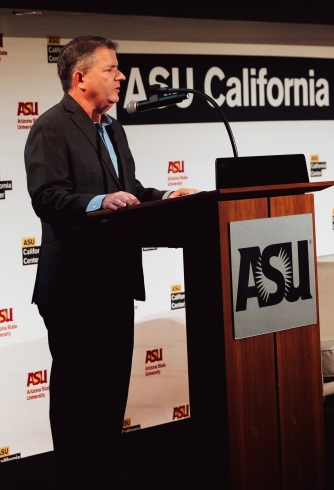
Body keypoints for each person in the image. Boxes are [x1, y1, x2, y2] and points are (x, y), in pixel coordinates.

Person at [24, 35, 197, 488]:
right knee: (78, 400)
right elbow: (48, 197)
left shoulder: (114, 128)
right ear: (80, 78)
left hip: (116, 282)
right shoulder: (51, 127)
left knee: (108, 398)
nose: (121, 76)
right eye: (111, 69)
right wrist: (101, 200)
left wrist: (167, 196)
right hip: (74, 288)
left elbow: (131, 189)